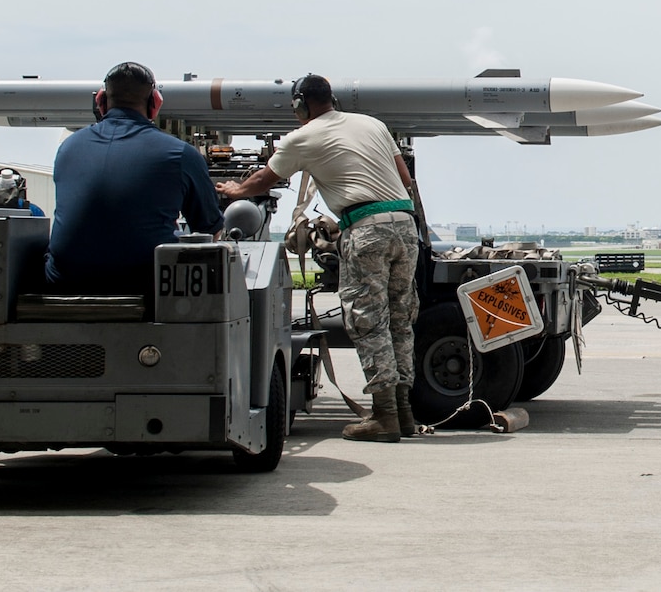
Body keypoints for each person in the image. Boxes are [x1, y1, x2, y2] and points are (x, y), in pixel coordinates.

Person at [219, 74, 420, 442]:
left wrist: (235, 190)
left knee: (368, 321)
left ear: (300, 105)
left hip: (366, 228)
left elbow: (264, 180)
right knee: (400, 320)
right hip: (405, 226)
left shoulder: (302, 137)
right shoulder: (373, 124)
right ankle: (404, 413)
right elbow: (403, 177)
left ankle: (385, 416)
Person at [45, 62, 224, 293]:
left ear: (100, 100)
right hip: (146, 283)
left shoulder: (68, 147)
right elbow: (209, 231)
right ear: (155, 103)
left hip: (66, 281)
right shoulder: (180, 154)